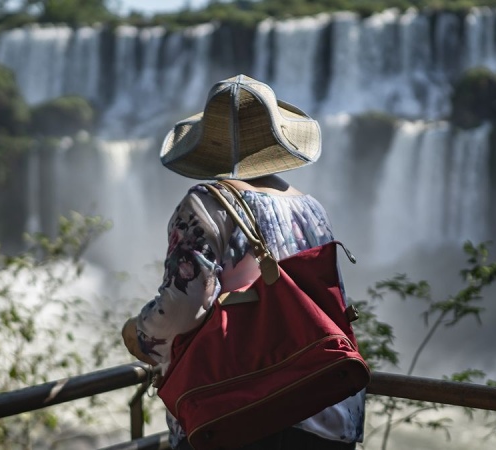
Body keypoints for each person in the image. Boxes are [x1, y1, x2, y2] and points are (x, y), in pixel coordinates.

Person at [121, 74, 365, 450]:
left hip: (245, 412)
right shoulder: (310, 207)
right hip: (321, 405)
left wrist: (140, 334)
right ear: (275, 139)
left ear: (208, 144)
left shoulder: (205, 204)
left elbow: (184, 307)